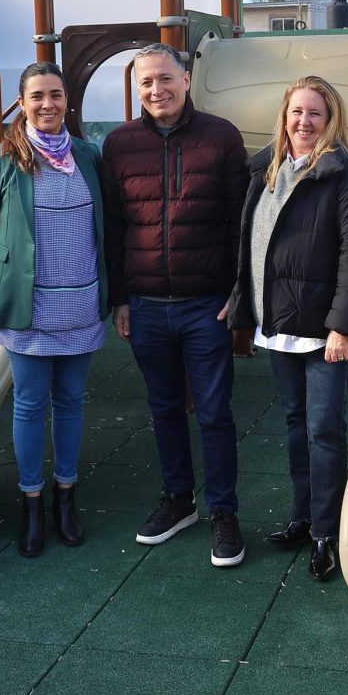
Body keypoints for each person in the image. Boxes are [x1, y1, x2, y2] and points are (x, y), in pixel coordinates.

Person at [228, 76, 348, 580]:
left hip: (324, 329)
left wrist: (344, 327)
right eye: (296, 112)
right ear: (284, 115)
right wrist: (241, 298)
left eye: (314, 113)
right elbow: (252, 242)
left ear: (331, 119)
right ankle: (303, 516)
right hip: (281, 323)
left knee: (324, 430)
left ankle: (328, 531)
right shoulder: (267, 170)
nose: (303, 121)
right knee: (296, 426)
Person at [101, 43, 250, 567]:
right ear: (136, 89)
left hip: (205, 304)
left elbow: (240, 222)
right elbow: (114, 227)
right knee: (164, 408)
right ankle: (178, 500)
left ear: (186, 79)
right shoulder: (118, 145)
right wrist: (120, 297)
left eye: (165, 78)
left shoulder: (222, 137)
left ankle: (224, 512)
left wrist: (238, 292)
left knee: (213, 413)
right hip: (144, 304)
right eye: (145, 83)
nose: (156, 90)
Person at [0, 61, 108, 558]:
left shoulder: (89, 156)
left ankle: (65, 497)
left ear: (67, 100)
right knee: (29, 405)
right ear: (22, 104)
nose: (47, 104)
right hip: (30, 310)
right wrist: (13, 275)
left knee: (70, 402)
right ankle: (30, 502)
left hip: (82, 303)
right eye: (37, 97)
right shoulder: (1, 160)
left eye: (55, 95)